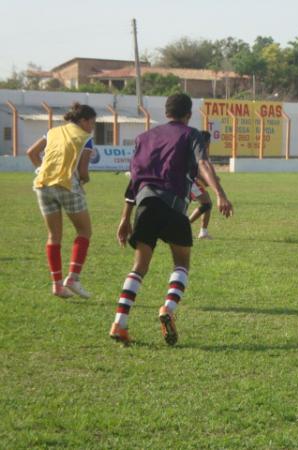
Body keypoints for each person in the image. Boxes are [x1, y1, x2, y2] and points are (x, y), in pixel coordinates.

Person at [110, 94, 233, 346]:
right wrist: (220, 194)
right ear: (188, 114)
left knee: (139, 267)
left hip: (144, 205)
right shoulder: (191, 134)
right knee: (181, 264)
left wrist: (125, 218)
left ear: (166, 113)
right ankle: (168, 309)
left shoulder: (143, 138)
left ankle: (119, 324)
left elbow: (134, 180)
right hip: (173, 205)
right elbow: (203, 163)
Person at [26, 102, 96, 298]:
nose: (92, 127)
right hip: (66, 185)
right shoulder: (85, 138)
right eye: (92, 122)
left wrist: (42, 169)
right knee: (84, 230)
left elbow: (31, 153)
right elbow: (83, 172)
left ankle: (57, 285)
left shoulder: (52, 132)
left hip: (42, 185)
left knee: (53, 235)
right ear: (83, 121)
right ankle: (73, 278)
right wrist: (85, 180)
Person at [188, 131, 214, 240]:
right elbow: (197, 170)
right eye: (209, 141)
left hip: (190, 181)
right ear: (206, 141)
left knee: (207, 203)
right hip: (190, 181)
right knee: (207, 204)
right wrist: (208, 180)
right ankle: (184, 227)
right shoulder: (199, 150)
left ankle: (203, 232)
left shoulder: (193, 148)